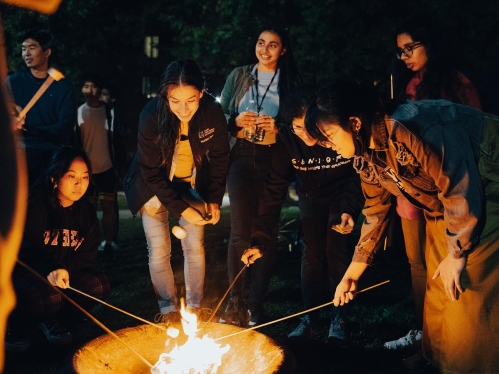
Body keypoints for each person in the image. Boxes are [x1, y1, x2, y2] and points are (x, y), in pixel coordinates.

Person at [302, 80, 499, 373]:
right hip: (446, 205)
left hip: (485, 189)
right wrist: (352, 274)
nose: (329, 147)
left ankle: (471, 365)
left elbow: (458, 184)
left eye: (330, 136)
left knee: (466, 285)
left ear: (354, 122)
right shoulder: (366, 154)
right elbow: (375, 211)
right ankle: (439, 360)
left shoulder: (410, 126)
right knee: (438, 284)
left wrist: (457, 254)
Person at [385, 16, 483, 354]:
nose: (405, 56)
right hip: (413, 197)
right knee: (418, 264)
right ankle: (425, 332)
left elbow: (470, 139)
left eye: (410, 47)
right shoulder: (409, 86)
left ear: (431, 44)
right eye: (400, 52)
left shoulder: (456, 83)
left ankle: (454, 338)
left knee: (454, 260)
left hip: (451, 193)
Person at [241, 90, 364, 345]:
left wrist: (349, 209)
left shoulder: (330, 133)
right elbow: (273, 190)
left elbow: (357, 172)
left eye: (309, 127)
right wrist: (259, 240)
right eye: (298, 128)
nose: (306, 134)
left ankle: (338, 317)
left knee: (336, 250)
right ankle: (309, 317)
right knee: (311, 252)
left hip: (341, 196)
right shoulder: (287, 141)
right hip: (311, 195)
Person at [123, 60, 229, 322]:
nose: (183, 109)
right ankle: (168, 308)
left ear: (201, 94)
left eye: (190, 100)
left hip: (188, 183)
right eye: (175, 101)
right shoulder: (151, 116)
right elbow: (150, 171)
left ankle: (194, 306)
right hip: (152, 184)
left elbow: (220, 155)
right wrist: (182, 210)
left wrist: (214, 199)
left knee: (194, 245)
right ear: (165, 97)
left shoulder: (212, 112)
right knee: (159, 249)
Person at [219, 25, 302, 327]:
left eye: (273, 45)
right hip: (241, 155)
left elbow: (300, 122)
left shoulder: (290, 81)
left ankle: (256, 306)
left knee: (265, 229)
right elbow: (218, 117)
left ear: (284, 50)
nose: (265, 49)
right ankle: (234, 304)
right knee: (240, 231)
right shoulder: (240, 75)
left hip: (273, 159)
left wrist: (278, 126)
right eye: (261, 43)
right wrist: (235, 120)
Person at [5, 146, 110, 352]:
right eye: (72, 176)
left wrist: (62, 269)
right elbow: (26, 249)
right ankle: (16, 327)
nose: (80, 184)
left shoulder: (85, 211)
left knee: (98, 284)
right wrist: (51, 268)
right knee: (49, 297)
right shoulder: (35, 205)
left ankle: (61, 321)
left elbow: (88, 256)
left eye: (85, 177)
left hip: (65, 274)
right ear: (54, 179)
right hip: (30, 275)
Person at [5, 30, 77, 186]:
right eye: (24, 49)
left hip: (51, 156)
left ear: (47, 52)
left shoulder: (63, 87)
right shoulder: (11, 83)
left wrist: (31, 129)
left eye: (32, 48)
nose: (26, 53)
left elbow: (64, 128)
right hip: (18, 155)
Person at [75, 75, 126, 261]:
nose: (89, 90)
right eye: (85, 86)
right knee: (88, 209)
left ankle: (110, 243)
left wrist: (119, 165)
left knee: (108, 208)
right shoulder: (78, 113)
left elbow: (119, 139)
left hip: (107, 168)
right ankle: (90, 243)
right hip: (86, 171)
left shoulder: (110, 112)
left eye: (93, 86)